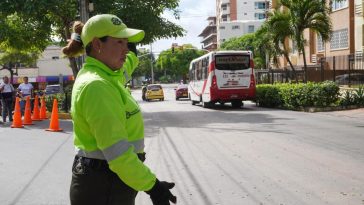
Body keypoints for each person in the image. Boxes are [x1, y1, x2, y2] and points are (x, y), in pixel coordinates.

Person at [62, 14, 177, 205]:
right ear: (98, 44)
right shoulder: (97, 86)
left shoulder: (109, 75)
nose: (126, 49)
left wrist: (128, 51)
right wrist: (153, 187)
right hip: (104, 187)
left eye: (127, 43)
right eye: (120, 43)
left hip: (110, 182)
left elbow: (130, 61)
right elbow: (119, 155)